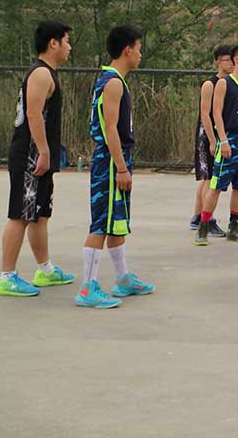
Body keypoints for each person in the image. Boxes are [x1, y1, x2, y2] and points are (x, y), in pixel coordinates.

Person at [0, 21, 76, 297]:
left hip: (39, 155)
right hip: (29, 154)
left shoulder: (48, 73)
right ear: (53, 43)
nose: (69, 47)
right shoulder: (41, 73)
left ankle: (45, 269)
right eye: (66, 41)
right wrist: (43, 151)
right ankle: (6, 277)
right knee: (20, 214)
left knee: (39, 214)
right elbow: (33, 114)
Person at [76, 26, 155, 309]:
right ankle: (87, 288)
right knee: (101, 222)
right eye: (139, 49)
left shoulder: (115, 80)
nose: (141, 55)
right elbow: (110, 128)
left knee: (116, 220)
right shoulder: (113, 83)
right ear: (127, 50)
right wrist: (120, 167)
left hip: (117, 158)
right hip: (110, 161)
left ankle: (122, 278)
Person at [195, 45, 238, 245]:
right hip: (230, 138)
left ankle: (234, 226)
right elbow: (216, 113)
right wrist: (222, 140)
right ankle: (203, 226)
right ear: (236, 59)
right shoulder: (224, 83)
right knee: (216, 185)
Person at [190, 45, 233, 235]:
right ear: (217, 61)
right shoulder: (210, 84)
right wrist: (212, 140)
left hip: (221, 135)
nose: (231, 63)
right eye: (226, 59)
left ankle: (197, 217)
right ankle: (206, 221)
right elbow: (205, 114)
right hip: (207, 135)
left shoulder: (230, 84)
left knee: (207, 178)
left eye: (232, 59)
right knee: (209, 178)